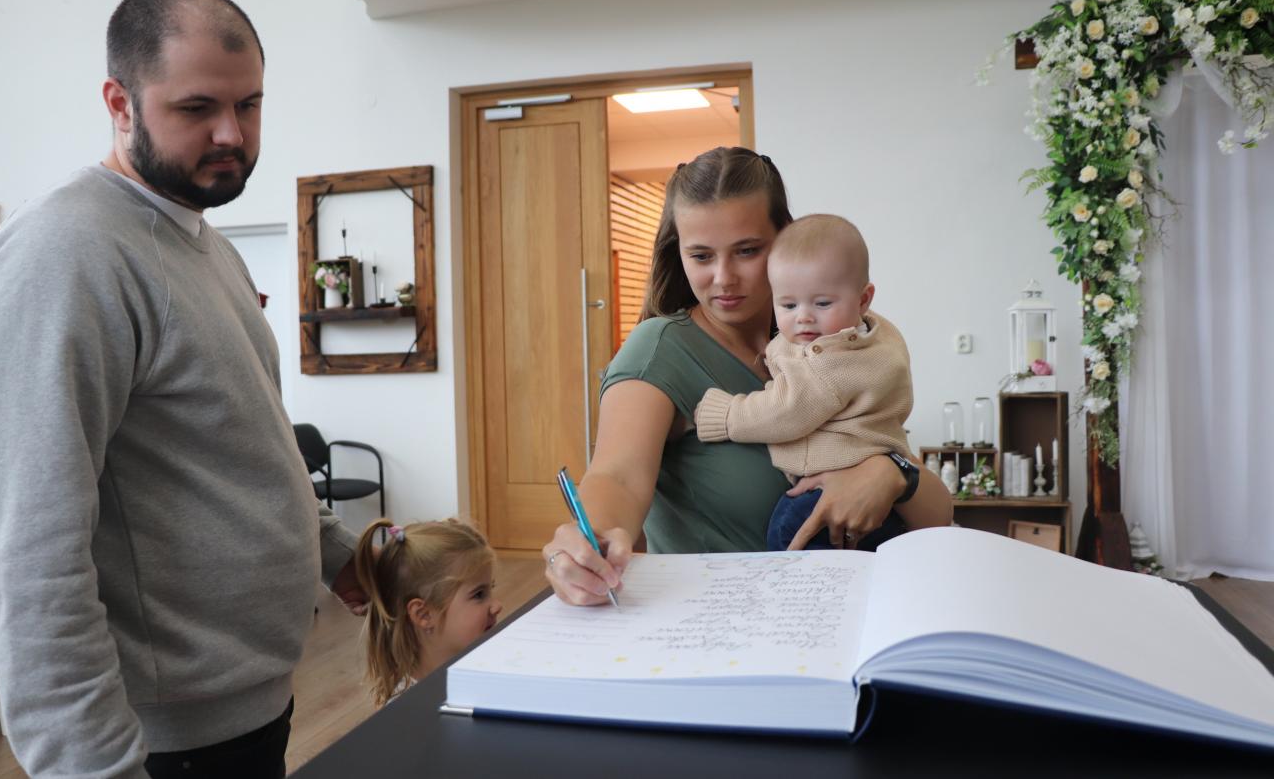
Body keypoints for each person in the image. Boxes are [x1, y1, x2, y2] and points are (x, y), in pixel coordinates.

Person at [0, 0, 364, 778]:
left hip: (252, 704)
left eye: (249, 105)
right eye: (197, 108)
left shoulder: (208, 245)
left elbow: (243, 444)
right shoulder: (68, 251)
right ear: (119, 103)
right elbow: (31, 550)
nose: (232, 133)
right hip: (160, 744)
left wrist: (340, 554)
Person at [542, 147, 952, 606]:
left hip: (856, 611)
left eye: (747, 251)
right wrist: (589, 541)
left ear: (785, 241)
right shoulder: (659, 350)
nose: (724, 278)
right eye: (701, 256)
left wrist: (891, 471)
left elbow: (937, 511)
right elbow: (617, 476)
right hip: (721, 624)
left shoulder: (828, 342)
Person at [692, 214, 915, 550]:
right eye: (788, 304)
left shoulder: (830, 364)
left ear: (863, 299)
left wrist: (725, 415)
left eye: (822, 303)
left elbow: (785, 411)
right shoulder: (877, 336)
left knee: (787, 536)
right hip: (878, 483)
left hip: (829, 489)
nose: (804, 317)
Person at [354, 518, 502, 705]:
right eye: (479, 595)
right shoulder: (408, 708)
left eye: (491, 589)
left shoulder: (477, 670)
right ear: (423, 615)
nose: (497, 605)